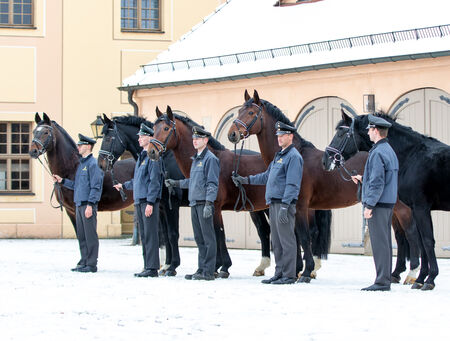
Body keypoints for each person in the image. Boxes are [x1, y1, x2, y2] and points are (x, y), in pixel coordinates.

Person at [232, 121, 303, 285]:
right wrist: (245, 180)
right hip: (273, 203)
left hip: (284, 204)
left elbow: (293, 185)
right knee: (276, 242)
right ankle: (279, 273)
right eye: (278, 135)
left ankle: (289, 275)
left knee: (287, 241)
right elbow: (266, 176)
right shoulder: (279, 156)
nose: (279, 138)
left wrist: (285, 206)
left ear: (290, 136)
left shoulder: (294, 157)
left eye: (282, 135)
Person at [165, 126, 219, 281]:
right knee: (199, 238)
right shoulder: (195, 159)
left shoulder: (210, 159)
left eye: (198, 139)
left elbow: (212, 184)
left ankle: (209, 271)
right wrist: (175, 183)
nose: (194, 141)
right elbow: (192, 181)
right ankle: (201, 268)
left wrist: (209, 203)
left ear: (206, 140)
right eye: (194, 139)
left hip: (204, 203)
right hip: (194, 203)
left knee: (208, 237)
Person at [351, 114, 399, 292]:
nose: (368, 133)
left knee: (379, 243)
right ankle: (384, 278)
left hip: (378, 204)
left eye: (370, 130)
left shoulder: (378, 152)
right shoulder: (388, 150)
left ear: (376, 131)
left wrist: (369, 205)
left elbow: (378, 181)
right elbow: (383, 177)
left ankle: (381, 282)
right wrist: (363, 179)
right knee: (384, 242)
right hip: (387, 202)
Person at [113, 123, 163, 278]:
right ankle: (147, 265)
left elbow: (154, 181)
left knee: (150, 234)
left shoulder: (153, 156)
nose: (139, 139)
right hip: (139, 200)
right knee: (144, 234)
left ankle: (153, 267)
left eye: (142, 136)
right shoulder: (142, 156)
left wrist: (150, 202)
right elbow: (138, 180)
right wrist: (123, 185)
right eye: (139, 136)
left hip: (147, 201)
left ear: (150, 137)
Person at [53, 134, 104, 273]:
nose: (78, 147)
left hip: (87, 204)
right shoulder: (82, 164)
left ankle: (92, 263)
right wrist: (62, 181)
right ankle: (84, 260)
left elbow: (96, 187)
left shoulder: (93, 164)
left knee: (90, 235)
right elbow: (77, 185)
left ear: (88, 146)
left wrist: (90, 205)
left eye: (80, 145)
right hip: (79, 204)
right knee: (81, 234)